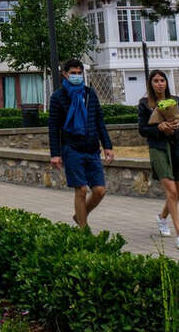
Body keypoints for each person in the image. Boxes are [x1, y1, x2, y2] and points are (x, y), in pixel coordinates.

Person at [47, 59, 114, 229]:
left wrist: (107, 146)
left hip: (92, 148)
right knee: (81, 190)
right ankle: (83, 231)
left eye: (79, 73)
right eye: (73, 73)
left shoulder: (90, 94)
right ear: (65, 74)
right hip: (72, 149)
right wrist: (55, 154)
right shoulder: (58, 97)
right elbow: (54, 128)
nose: (76, 76)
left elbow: (99, 121)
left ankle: (80, 215)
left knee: (99, 191)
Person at [139, 70, 179, 250]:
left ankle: (162, 218)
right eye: (156, 80)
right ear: (151, 84)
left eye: (162, 80)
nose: (160, 83)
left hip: (177, 148)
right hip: (158, 148)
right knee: (171, 190)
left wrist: (176, 128)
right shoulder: (145, 103)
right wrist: (159, 128)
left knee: (178, 192)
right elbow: (142, 129)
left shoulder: (176, 101)